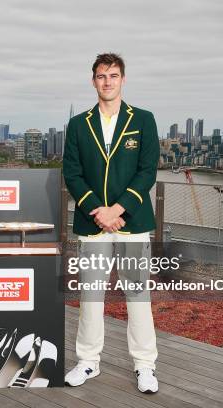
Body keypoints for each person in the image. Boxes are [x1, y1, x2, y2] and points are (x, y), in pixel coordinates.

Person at [62, 53, 160, 393]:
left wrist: (118, 209)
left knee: (137, 293)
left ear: (123, 79)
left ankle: (145, 365)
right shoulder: (78, 124)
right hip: (93, 224)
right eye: (101, 76)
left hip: (132, 222)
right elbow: (72, 173)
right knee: (91, 295)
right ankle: (88, 360)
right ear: (93, 81)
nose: (107, 81)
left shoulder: (144, 120)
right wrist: (98, 211)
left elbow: (147, 171)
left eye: (113, 75)